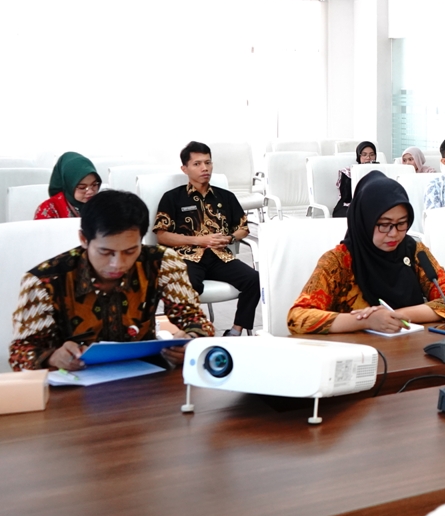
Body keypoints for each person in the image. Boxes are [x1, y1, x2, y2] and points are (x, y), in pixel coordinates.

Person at [10, 189, 214, 371]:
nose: (118, 264)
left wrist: (191, 341)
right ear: (84, 239)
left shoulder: (161, 263)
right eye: (105, 252)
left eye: (130, 251)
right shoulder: (44, 281)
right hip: (74, 382)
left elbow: (195, 320)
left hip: (143, 376)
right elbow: (20, 353)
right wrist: (52, 357)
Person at [289, 172, 445, 334]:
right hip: (358, 351)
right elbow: (297, 317)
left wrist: (395, 315)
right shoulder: (338, 261)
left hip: (410, 347)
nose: (394, 233)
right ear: (364, 221)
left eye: (401, 223)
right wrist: (366, 321)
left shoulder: (414, 251)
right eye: (384, 225)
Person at [154, 141, 260, 337]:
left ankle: (235, 331)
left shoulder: (225, 197)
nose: (205, 168)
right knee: (189, 283)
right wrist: (198, 240)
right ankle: (190, 333)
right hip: (187, 257)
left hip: (220, 257)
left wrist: (229, 238)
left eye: (208, 162)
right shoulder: (172, 198)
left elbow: (243, 228)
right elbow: (162, 235)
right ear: (185, 169)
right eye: (197, 164)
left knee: (254, 279)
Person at [34, 151, 101, 219]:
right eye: (82, 187)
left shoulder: (102, 205)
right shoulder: (49, 210)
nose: (90, 191)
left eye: (94, 184)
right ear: (68, 185)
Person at [333, 141, 377, 217]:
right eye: (364, 155)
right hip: (348, 206)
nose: (368, 158)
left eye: (372, 155)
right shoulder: (348, 172)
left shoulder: (379, 171)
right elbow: (346, 198)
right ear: (359, 156)